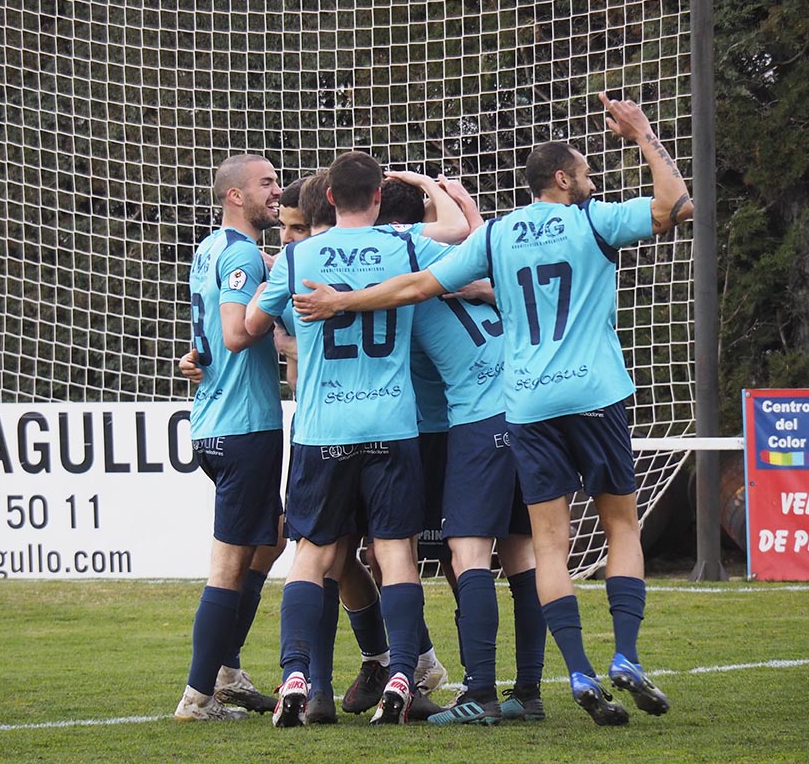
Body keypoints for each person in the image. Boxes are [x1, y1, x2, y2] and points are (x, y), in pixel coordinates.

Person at [292, 93, 694, 726]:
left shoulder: (476, 246)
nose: (589, 181)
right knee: (554, 544)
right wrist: (642, 132)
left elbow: (419, 284)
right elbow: (676, 207)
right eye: (586, 172)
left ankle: (479, 689)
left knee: (474, 552)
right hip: (580, 395)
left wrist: (341, 303)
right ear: (563, 179)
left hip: (503, 412)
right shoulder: (568, 223)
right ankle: (553, 682)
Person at [245, 151, 456, 727]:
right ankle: (401, 674)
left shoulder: (295, 256)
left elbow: (251, 330)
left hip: (323, 428)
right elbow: (462, 236)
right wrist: (426, 191)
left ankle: (297, 673)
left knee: (313, 556)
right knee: (394, 553)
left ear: (329, 198)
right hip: (392, 425)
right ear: (379, 199)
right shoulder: (406, 246)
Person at [375, 176, 548, 726]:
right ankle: (527, 691)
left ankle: (478, 693)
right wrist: (445, 192)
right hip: (530, 408)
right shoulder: (467, 262)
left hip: (478, 419)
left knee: (467, 554)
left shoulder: (400, 272)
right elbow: (477, 235)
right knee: (521, 554)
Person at [172, 154, 286, 723]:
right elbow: (238, 335)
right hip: (243, 425)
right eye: (265, 183)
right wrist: (281, 301)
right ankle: (199, 696)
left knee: (273, 540)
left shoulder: (209, 249)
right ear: (235, 196)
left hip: (215, 419)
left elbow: (212, 337)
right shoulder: (240, 253)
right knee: (230, 563)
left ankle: (227, 669)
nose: (276, 190)